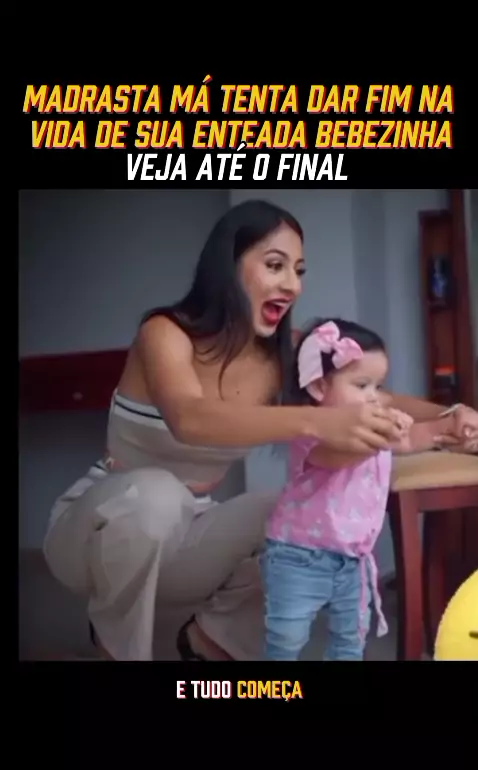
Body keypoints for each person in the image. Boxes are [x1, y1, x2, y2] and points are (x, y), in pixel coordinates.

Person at [42, 200, 478, 662]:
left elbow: (374, 395)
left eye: (299, 271)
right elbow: (191, 418)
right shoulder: (165, 333)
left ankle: (213, 640)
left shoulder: (285, 356)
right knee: (155, 494)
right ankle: (115, 648)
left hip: (188, 533)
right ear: (228, 266)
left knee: (303, 516)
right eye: (275, 265)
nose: (292, 284)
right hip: (92, 537)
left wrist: (451, 417)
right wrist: (318, 420)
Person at [260, 318, 450, 662]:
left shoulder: (375, 430)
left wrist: (446, 428)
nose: (374, 397)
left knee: (351, 639)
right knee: (287, 638)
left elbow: (411, 439)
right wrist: (387, 433)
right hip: (298, 556)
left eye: (378, 386)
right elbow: (342, 454)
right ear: (319, 387)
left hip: (354, 560)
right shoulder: (309, 429)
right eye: (362, 385)